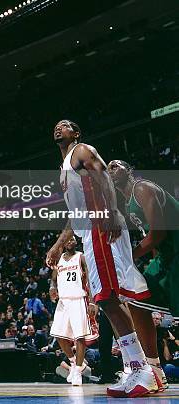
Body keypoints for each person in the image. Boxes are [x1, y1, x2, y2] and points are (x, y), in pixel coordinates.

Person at [46, 120, 161, 397]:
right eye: (56, 126)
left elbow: (104, 177)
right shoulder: (64, 171)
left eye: (65, 125)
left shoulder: (82, 151)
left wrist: (108, 211)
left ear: (76, 133)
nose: (58, 128)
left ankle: (141, 369)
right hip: (91, 232)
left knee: (108, 297)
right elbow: (76, 213)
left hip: (101, 227)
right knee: (113, 298)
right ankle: (144, 369)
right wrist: (58, 245)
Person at [109, 160, 178, 321]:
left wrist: (128, 256)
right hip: (167, 254)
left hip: (176, 250)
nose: (110, 171)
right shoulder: (127, 204)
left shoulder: (142, 188)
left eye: (114, 166)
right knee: (137, 298)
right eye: (107, 170)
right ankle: (145, 346)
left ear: (128, 169)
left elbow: (158, 234)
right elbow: (151, 237)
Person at [49, 235, 96, 386]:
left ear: (76, 242)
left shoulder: (81, 257)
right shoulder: (59, 259)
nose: (70, 241)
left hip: (78, 299)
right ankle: (75, 363)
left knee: (79, 337)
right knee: (59, 335)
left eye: (73, 239)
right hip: (63, 301)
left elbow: (90, 278)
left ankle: (76, 372)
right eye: (67, 239)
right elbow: (53, 278)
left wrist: (92, 300)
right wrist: (52, 288)